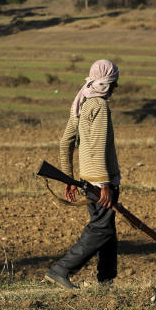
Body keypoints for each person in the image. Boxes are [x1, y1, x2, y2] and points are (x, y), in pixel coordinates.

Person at [45, 59, 121, 290]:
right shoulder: (98, 105)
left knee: (106, 228)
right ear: (108, 83)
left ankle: (106, 281)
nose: (117, 87)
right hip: (99, 181)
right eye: (115, 82)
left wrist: (68, 178)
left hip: (89, 179)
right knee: (101, 228)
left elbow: (65, 141)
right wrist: (104, 183)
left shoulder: (82, 101)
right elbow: (97, 145)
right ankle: (61, 269)